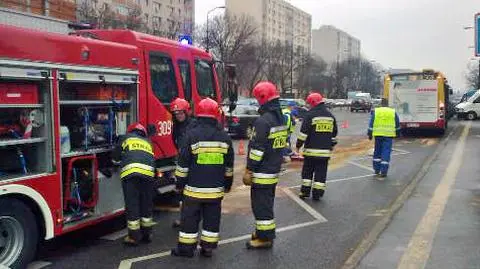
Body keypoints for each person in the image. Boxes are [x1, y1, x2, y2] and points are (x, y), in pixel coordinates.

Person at [171, 98, 234, 258]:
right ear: (215, 115)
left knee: (189, 220)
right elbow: (229, 167)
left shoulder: (190, 136)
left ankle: (186, 250)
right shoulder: (225, 138)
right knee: (212, 220)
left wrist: (179, 184)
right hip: (215, 191)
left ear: (197, 114)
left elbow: (183, 166)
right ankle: (208, 248)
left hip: (193, 191)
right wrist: (227, 185)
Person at [243, 81, 287, 249]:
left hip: (262, 172)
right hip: (273, 170)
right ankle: (262, 232)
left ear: (262, 98)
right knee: (266, 204)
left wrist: (249, 169)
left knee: (261, 206)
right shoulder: (280, 118)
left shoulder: (263, 121)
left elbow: (257, 149)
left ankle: (265, 238)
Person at [112, 123, 156, 245]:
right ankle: (147, 234)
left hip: (131, 175)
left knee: (133, 205)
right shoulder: (148, 142)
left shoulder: (124, 138)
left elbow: (115, 158)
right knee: (146, 204)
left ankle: (134, 237)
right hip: (148, 175)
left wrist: (116, 163)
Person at [296, 93, 338, 200]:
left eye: (309, 104)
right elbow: (334, 135)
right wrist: (331, 145)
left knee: (307, 172)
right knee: (321, 173)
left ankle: (304, 192)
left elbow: (303, 134)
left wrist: (298, 146)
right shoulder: (330, 116)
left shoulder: (310, 115)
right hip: (324, 153)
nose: (308, 106)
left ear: (313, 103)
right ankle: (317, 193)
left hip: (310, 152)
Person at [170, 98, 195, 228]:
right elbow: (175, 142)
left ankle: (190, 218)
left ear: (186, 112)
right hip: (182, 161)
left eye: (180, 113)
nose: (178, 116)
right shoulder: (176, 127)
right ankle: (184, 218)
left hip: (193, 163)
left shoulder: (193, 125)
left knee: (191, 193)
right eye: (176, 114)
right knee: (182, 192)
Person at [367, 98, 400, 178]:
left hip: (378, 134)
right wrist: (398, 133)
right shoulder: (392, 112)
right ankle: (384, 171)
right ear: (387, 104)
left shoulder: (376, 111)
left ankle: (376, 169)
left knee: (377, 152)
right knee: (386, 152)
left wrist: (370, 133)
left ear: (381, 104)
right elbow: (397, 123)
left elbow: (371, 122)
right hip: (388, 135)